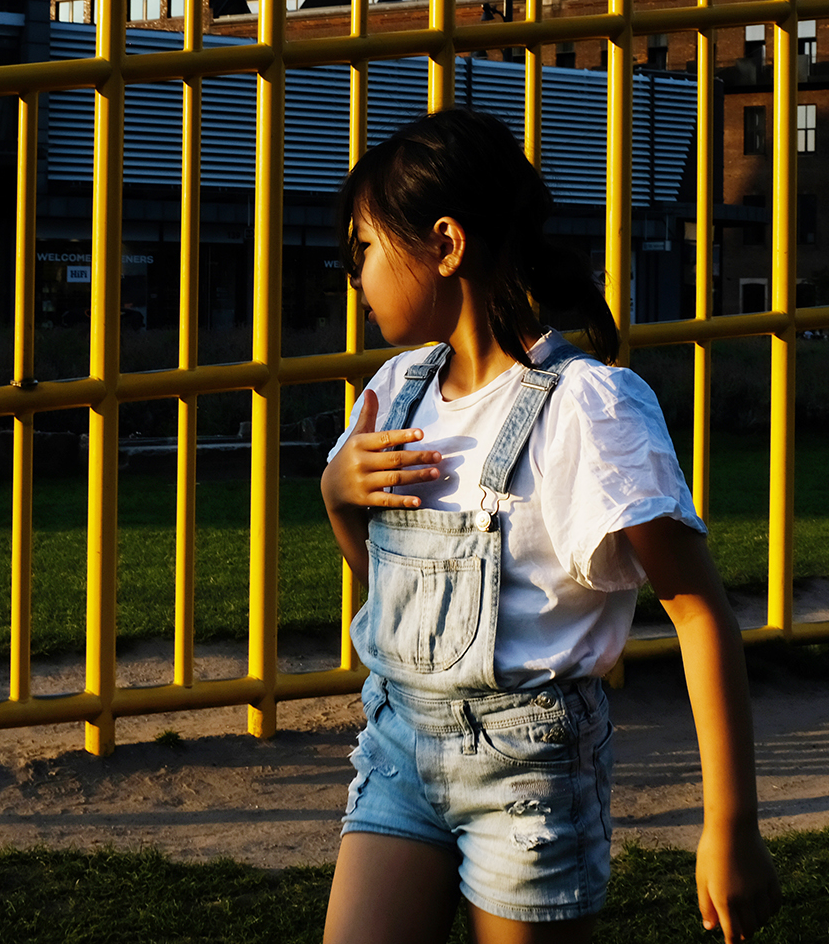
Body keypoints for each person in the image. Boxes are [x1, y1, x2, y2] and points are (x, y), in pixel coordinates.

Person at [319, 109, 779, 944]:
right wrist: (336, 495)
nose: (355, 275)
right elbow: (385, 585)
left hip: (527, 775)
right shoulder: (395, 390)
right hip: (395, 746)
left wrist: (731, 825)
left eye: (365, 248)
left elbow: (698, 610)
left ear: (445, 244)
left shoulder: (588, 407)